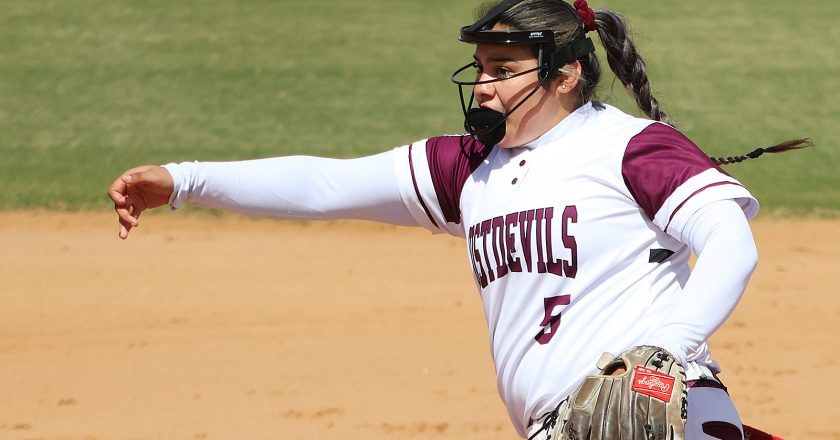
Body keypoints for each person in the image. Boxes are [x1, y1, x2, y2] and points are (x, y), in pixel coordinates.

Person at [108, 0, 804, 438]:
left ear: (564, 75)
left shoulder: (629, 147)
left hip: (655, 413)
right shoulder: (472, 165)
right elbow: (325, 184)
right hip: (557, 427)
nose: (486, 85)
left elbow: (730, 241)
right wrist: (184, 180)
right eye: (481, 69)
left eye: (504, 69)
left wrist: (668, 346)